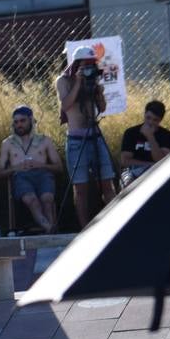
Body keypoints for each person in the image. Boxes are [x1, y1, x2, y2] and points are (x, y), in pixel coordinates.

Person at [57, 45, 116, 227]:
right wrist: (79, 82)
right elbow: (66, 105)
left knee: (108, 183)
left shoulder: (94, 80)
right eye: (86, 65)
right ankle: (84, 228)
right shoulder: (64, 80)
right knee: (80, 189)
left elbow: (103, 108)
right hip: (76, 140)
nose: (90, 68)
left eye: (92, 64)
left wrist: (98, 90)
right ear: (76, 65)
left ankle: (115, 223)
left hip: (96, 137)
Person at [0, 106, 62, 234]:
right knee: (31, 199)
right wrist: (16, 167)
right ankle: (50, 229)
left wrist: (40, 165)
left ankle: (49, 229)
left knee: (47, 199)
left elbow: (59, 167)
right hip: (21, 177)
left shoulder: (45, 141)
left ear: (31, 120)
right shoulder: (8, 143)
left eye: (22, 121)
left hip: (43, 175)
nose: (19, 124)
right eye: (16, 122)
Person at [119, 100, 170, 187]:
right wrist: (149, 164)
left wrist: (150, 137)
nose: (150, 122)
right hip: (132, 170)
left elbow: (162, 161)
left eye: (155, 120)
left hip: (156, 170)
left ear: (160, 120)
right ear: (144, 115)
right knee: (128, 182)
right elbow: (125, 161)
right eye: (148, 118)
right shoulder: (131, 133)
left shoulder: (166, 135)